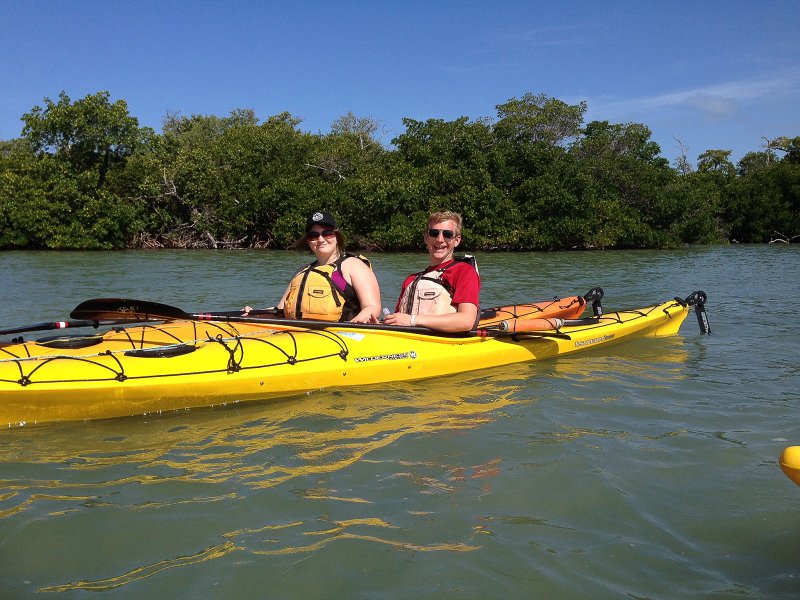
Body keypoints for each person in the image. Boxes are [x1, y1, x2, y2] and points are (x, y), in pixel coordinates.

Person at [245, 211, 381, 324]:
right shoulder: (302, 272)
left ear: (337, 236)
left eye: (327, 233)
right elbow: (280, 311)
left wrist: (354, 326)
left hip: (341, 338)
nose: (321, 239)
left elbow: (372, 307)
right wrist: (254, 313)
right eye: (313, 235)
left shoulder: (353, 266)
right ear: (308, 241)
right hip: (298, 336)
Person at [383, 211, 480, 332]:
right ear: (426, 238)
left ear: (457, 240)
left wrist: (412, 320)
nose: (440, 240)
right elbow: (399, 320)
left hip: (443, 345)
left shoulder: (464, 272)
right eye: (434, 233)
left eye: (447, 234)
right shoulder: (410, 280)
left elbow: (466, 321)